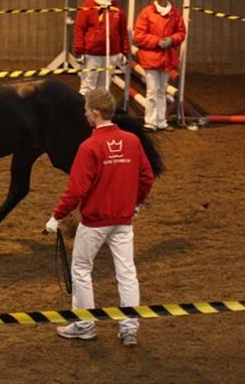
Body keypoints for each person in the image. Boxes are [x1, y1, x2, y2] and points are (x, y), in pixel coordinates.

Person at [44, 88, 154, 347]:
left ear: (94, 113)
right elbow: (146, 177)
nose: (84, 115)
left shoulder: (90, 146)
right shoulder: (132, 141)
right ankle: (129, 328)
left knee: (81, 270)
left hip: (95, 221)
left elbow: (76, 190)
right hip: (124, 220)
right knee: (127, 273)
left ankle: (85, 324)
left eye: (85, 111)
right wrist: (135, 203)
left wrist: (56, 216)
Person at [133, 0, 186, 132]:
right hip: (151, 57)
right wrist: (157, 41)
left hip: (167, 57)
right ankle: (150, 122)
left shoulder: (176, 13)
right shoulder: (146, 12)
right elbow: (139, 35)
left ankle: (161, 121)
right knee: (152, 91)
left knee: (162, 90)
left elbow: (181, 32)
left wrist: (172, 40)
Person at [73, 0, 131, 96]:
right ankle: (84, 112)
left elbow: (122, 30)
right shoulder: (88, 5)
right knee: (88, 86)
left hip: (111, 55)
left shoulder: (116, 7)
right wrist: (79, 50)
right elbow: (79, 28)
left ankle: (100, 113)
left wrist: (125, 51)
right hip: (91, 54)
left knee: (104, 87)